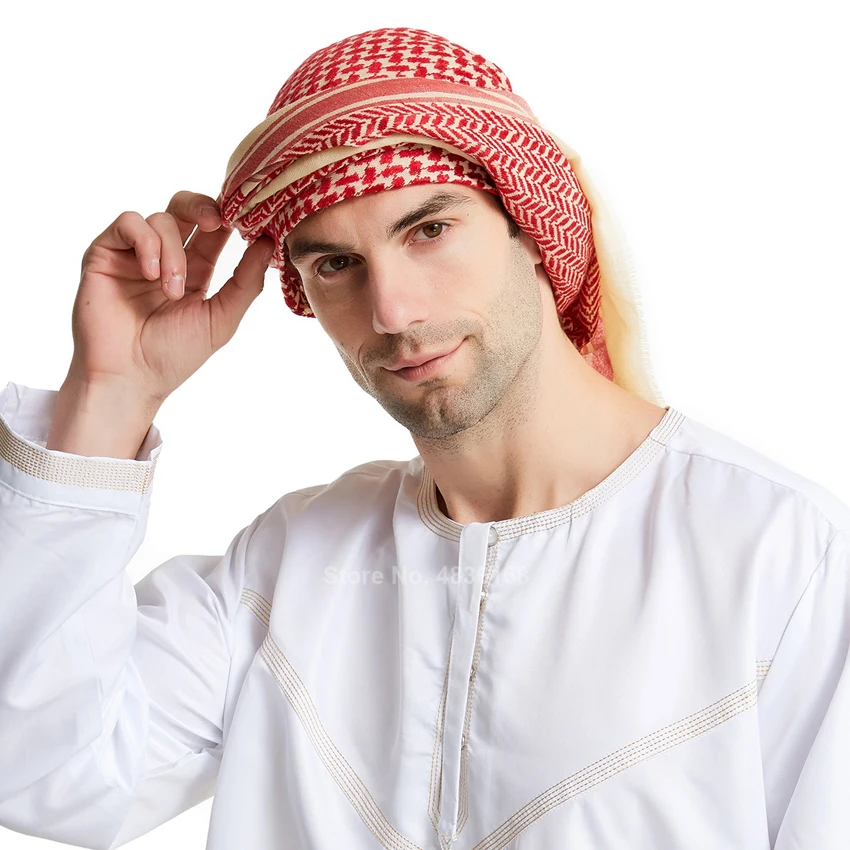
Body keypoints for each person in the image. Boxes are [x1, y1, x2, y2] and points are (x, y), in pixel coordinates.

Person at [1, 26, 848, 850]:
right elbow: (41, 770)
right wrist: (110, 395)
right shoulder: (289, 566)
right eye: (335, 264)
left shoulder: (786, 559)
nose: (392, 311)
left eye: (429, 230)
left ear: (530, 225)